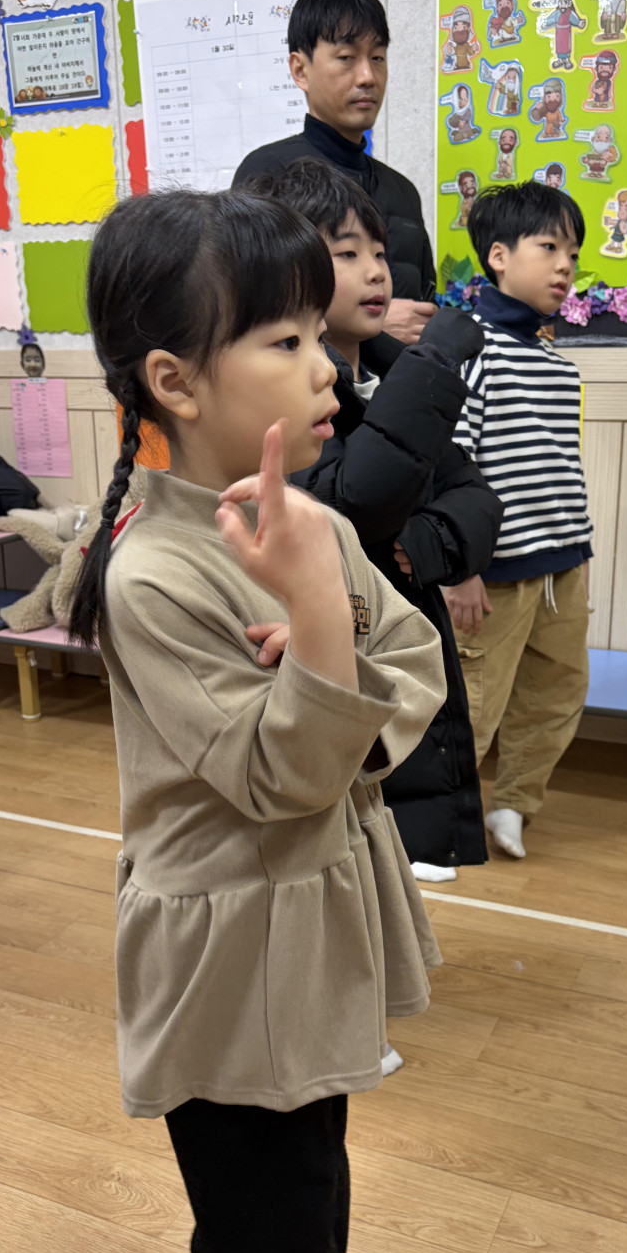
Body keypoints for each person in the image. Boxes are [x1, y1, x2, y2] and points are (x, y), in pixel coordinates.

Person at [68, 187, 446, 1253]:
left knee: (309, 1176)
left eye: (317, 334)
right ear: (175, 382)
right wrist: (325, 628)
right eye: (284, 340)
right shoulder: (152, 572)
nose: (326, 364)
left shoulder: (304, 522)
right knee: (256, 1226)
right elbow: (284, 777)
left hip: (309, 914)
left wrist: (327, 642)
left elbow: (418, 662)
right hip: (231, 956)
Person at [247, 156, 500, 897]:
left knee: (391, 886)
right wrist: (438, 358)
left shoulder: (386, 376)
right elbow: (356, 502)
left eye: (381, 252)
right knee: (345, 868)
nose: (376, 271)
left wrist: (427, 544)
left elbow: (477, 499)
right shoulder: (289, 396)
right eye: (347, 253)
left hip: (402, 652)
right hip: (333, 666)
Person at [444, 182, 593, 863]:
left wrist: (576, 550)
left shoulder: (556, 363)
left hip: (563, 563)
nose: (565, 266)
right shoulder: (472, 351)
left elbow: (559, 466)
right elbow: (449, 465)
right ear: (499, 256)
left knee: (555, 692)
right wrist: (459, 568)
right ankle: (433, 829)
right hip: (493, 573)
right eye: (550, 247)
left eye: (574, 254)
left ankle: (514, 803)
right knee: (472, 704)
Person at [235, 0, 436, 346]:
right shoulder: (268, 173)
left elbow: (424, 306)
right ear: (300, 70)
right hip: (313, 382)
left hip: (402, 383)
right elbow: (250, 317)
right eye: (346, 58)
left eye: (377, 58)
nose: (367, 77)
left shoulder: (403, 192)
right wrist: (371, 328)